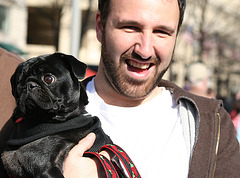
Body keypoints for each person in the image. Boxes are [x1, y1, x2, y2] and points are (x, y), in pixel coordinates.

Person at [0, 0, 239, 177]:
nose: (145, 50)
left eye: (161, 32)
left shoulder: (211, 123)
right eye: (130, 27)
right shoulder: (30, 116)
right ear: (100, 26)